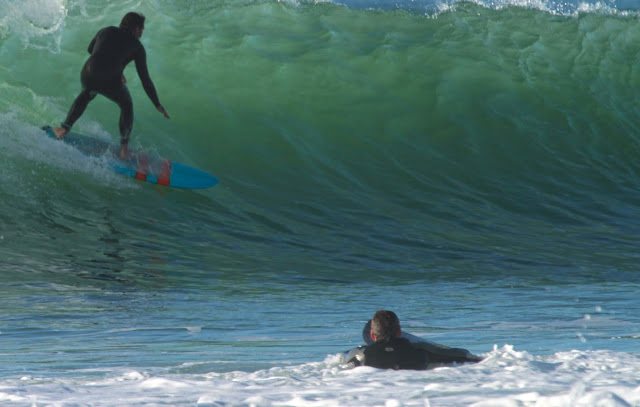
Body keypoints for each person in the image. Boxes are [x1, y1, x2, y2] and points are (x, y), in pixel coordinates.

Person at [53, 12, 170, 159]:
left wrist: (115, 65)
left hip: (88, 72)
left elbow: (90, 49)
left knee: (86, 94)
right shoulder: (137, 47)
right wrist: (157, 104)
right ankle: (124, 150)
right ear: (136, 29)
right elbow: (145, 79)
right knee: (126, 105)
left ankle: (63, 129)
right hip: (110, 79)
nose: (141, 34)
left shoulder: (106, 30)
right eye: (141, 29)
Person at [344, 310, 482, 370]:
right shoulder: (421, 351)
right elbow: (457, 355)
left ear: (372, 336)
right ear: (399, 332)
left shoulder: (361, 354)